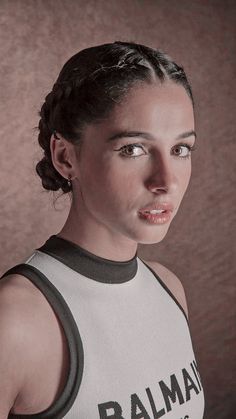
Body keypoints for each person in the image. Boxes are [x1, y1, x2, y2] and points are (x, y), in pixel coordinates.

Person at [0, 41, 205, 419]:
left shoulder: (169, 289)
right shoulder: (15, 319)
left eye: (180, 150)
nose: (166, 181)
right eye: (133, 149)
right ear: (65, 157)